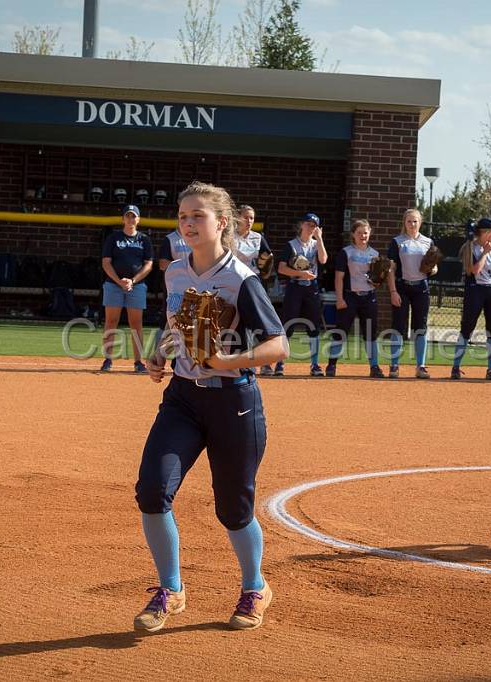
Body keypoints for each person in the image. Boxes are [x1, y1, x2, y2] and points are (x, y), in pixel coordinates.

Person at [135, 181, 290, 632]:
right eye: (183, 216)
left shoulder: (242, 278)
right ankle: (171, 589)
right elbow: (175, 326)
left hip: (233, 402)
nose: (188, 223)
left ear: (222, 223)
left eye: (197, 215)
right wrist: (160, 353)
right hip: (182, 398)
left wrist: (229, 360)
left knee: (233, 509)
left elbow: (279, 345)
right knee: (151, 490)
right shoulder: (174, 273)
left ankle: (255, 587)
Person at [450, 217, 491, 381]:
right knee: (467, 327)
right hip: (475, 291)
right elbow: (474, 271)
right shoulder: (470, 248)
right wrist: (485, 252)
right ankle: (455, 367)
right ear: (485, 232)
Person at [326, 219, 383, 378]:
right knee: (341, 331)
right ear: (353, 235)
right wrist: (339, 298)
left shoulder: (375, 255)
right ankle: (331, 365)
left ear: (370, 233)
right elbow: (339, 277)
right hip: (350, 296)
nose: (362, 236)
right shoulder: (346, 252)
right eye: (359, 233)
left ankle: (374, 366)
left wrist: (378, 281)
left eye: (365, 232)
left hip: (369, 297)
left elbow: (378, 279)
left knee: (370, 332)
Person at [273, 213, 328, 377]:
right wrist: (301, 274)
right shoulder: (291, 245)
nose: (311, 227)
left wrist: (320, 239)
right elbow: (281, 268)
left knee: (313, 327)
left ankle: (315, 364)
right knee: (288, 326)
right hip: (295, 287)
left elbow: (323, 259)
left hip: (312, 289)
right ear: (302, 225)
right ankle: (280, 363)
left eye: (314, 225)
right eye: (309, 224)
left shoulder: (316, 244)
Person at [100, 205, 154, 373]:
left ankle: (138, 362)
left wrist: (132, 280)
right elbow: (106, 262)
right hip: (113, 285)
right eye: (128, 216)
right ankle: (107, 359)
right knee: (111, 322)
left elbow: (149, 264)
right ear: (123, 219)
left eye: (133, 216)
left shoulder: (144, 239)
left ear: (138, 219)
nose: (130, 219)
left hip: (136, 286)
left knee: (136, 324)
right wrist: (118, 281)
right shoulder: (113, 238)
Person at [388, 209, 434, 379]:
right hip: (402, 287)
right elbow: (391, 269)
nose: (412, 224)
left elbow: (432, 265)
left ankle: (421, 366)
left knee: (420, 327)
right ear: (404, 223)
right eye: (409, 221)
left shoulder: (428, 241)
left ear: (420, 223)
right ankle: (394, 365)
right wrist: (393, 291)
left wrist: (434, 268)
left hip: (421, 288)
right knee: (398, 326)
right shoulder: (397, 242)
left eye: (415, 221)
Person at [232, 204, 276, 376]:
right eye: (246, 217)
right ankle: (239, 361)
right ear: (237, 218)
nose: (249, 221)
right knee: (236, 323)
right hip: (233, 282)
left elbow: (268, 260)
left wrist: (266, 271)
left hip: (253, 283)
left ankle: (264, 363)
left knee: (259, 322)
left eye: (251, 217)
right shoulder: (228, 237)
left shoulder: (258, 238)